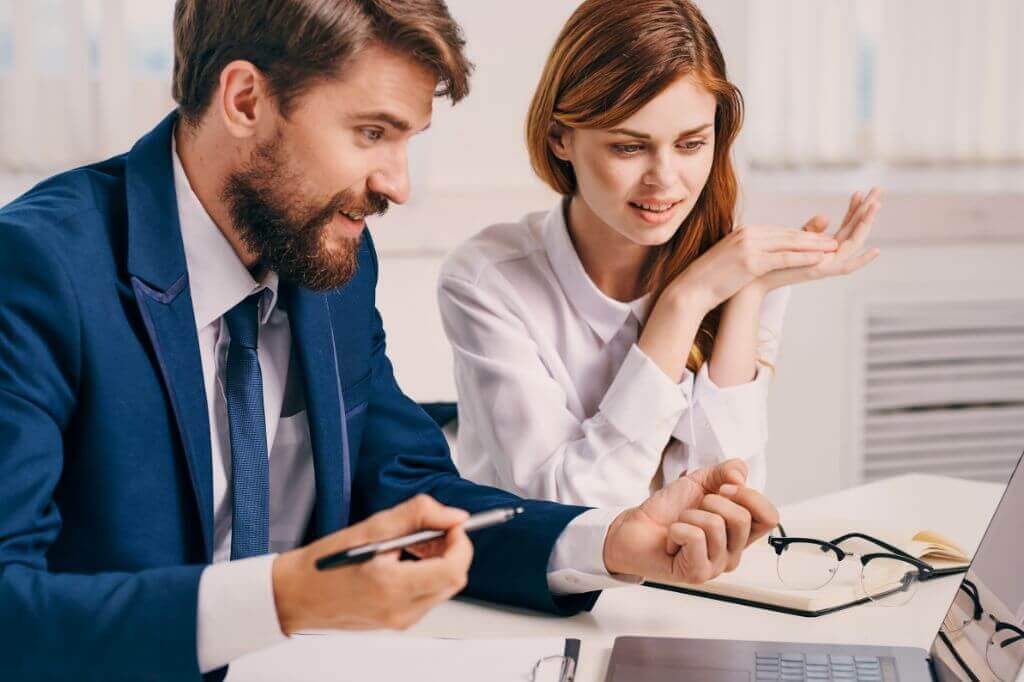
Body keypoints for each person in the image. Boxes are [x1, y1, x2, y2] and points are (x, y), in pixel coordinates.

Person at [0, 1, 779, 680]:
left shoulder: (327, 256)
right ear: (245, 100)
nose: (397, 183)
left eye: (408, 139)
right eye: (372, 132)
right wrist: (284, 597)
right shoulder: (39, 270)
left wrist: (608, 542)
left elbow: (411, 490)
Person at [439, 0, 882, 507]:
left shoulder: (738, 267)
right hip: (528, 585)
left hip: (677, 586)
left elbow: (725, 499)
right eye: (629, 147)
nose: (665, 181)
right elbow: (568, 512)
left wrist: (750, 291)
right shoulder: (486, 280)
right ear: (561, 137)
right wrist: (685, 301)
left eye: (691, 144)